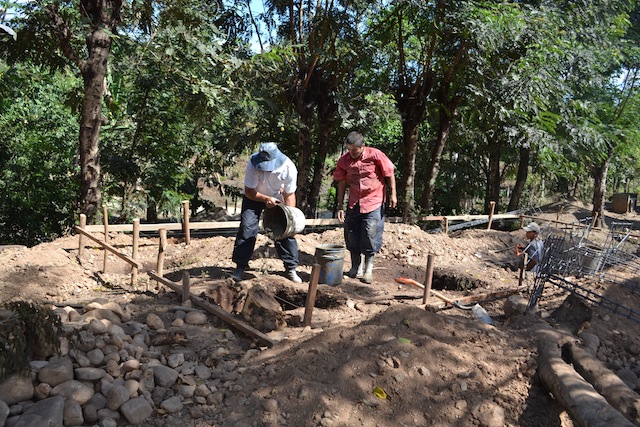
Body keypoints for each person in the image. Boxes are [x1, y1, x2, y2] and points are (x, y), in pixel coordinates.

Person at [230, 143, 302, 283]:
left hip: (277, 199)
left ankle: (291, 268)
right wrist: (265, 199)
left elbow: (289, 194)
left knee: (283, 230)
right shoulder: (252, 164)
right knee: (247, 228)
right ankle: (240, 266)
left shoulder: (289, 168)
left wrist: (289, 216)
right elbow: (250, 191)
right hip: (254, 198)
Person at [333, 131, 397, 284]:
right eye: (349, 150)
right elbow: (341, 183)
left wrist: (393, 194)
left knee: (370, 234)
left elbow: (389, 174)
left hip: (373, 201)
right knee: (351, 234)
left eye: (355, 150)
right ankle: (356, 267)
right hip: (354, 202)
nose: (352, 153)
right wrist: (340, 205)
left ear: (363, 146)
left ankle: (368, 270)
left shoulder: (375, 155)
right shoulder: (343, 161)